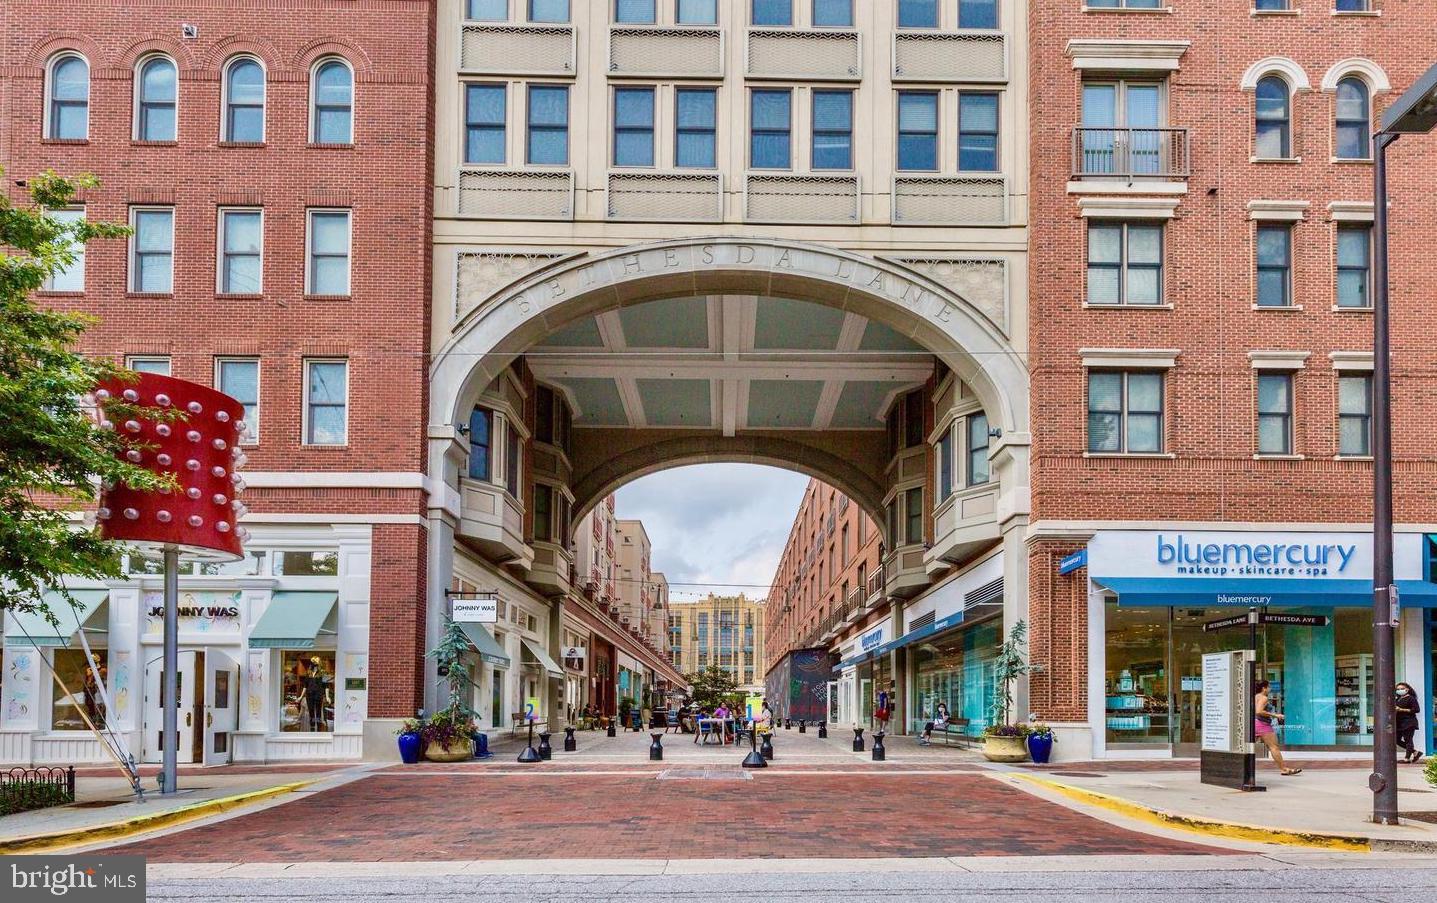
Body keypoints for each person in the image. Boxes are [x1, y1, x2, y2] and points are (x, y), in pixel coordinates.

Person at [1254, 679, 1300, 776]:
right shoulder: (1263, 698)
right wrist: (1276, 715)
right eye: (1269, 686)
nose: (1270, 688)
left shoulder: (1255, 697)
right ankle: (1284, 769)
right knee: (1274, 747)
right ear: (1264, 688)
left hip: (1255, 723)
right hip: (1263, 724)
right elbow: (1258, 711)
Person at [1396, 682, 1423, 764]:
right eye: (1398, 689)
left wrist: (1401, 709)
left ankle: (1407, 759)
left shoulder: (1411, 698)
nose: (1400, 690)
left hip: (1409, 722)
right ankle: (1415, 752)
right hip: (1399, 723)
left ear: (1407, 689)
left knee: (1408, 740)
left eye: (1402, 689)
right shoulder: (1398, 699)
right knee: (1396, 740)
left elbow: (1416, 710)